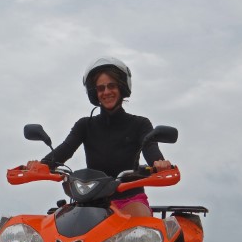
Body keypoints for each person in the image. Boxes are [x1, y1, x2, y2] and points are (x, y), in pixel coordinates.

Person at [41, 56, 172, 217]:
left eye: (111, 86)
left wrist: (159, 164)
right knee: (57, 228)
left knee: (141, 225)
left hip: (130, 200)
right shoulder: (84, 125)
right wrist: (41, 165)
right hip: (91, 203)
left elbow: (151, 149)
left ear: (122, 87)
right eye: (100, 88)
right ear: (94, 93)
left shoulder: (140, 124)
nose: (106, 92)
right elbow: (65, 149)